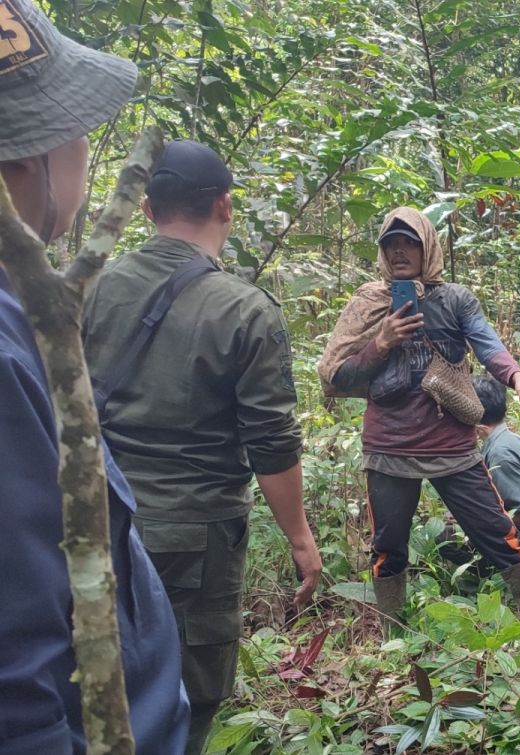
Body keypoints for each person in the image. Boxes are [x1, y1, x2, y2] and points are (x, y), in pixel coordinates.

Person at [81, 139, 323, 755]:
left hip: (90, 520)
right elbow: (271, 441)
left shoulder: (87, 289)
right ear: (225, 206)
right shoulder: (243, 309)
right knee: (185, 700)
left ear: (146, 211)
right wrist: (300, 539)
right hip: (193, 539)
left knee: (94, 690)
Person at [0, 0, 189, 749]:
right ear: (23, 158)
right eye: (71, 127)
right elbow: (20, 675)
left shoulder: (30, 308)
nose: (84, 148)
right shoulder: (9, 355)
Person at [317, 207, 520, 649]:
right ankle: (393, 638)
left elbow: (486, 342)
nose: (399, 250)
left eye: (409, 242)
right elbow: (336, 375)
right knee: (389, 546)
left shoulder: (455, 299)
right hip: (389, 446)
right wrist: (381, 342)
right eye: (390, 243)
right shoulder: (368, 304)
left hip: (451, 443)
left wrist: (517, 378)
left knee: (498, 531)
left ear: (428, 247)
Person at [437, 376, 520, 574]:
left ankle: (497, 583)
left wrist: (479, 525)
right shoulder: (508, 440)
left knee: (444, 539)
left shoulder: (501, 454)